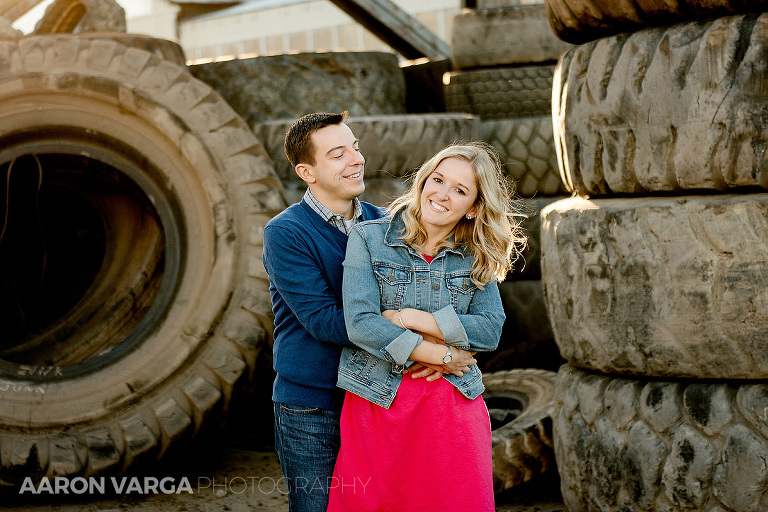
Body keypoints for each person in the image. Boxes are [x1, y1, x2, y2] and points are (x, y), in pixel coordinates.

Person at [327, 141, 526, 511]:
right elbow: (361, 323)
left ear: (474, 207)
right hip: (378, 401)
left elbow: (489, 330)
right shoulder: (368, 238)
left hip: (451, 407)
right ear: (422, 181)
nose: (442, 194)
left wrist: (412, 319)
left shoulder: (476, 255)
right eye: (438, 179)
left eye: (460, 190)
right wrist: (439, 353)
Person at [261, 111, 383, 512]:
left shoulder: (388, 224)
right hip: (312, 404)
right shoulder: (286, 232)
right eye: (338, 154)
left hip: (378, 396)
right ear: (306, 171)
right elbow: (324, 322)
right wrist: (407, 328)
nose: (356, 159)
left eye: (356, 147)